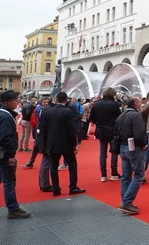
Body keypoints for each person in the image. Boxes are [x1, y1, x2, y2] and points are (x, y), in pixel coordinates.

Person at [37, 91, 86, 197]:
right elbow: (71, 130)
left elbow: (43, 129)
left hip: (52, 143)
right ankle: (73, 187)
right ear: (66, 100)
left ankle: (55, 188)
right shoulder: (67, 112)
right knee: (72, 165)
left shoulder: (47, 112)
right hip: (66, 143)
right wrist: (74, 144)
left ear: (56, 99)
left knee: (53, 166)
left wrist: (45, 144)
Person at [0, 90, 31, 219]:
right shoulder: (6, 117)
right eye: (15, 100)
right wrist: (10, 155)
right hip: (4, 154)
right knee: (9, 181)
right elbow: (5, 138)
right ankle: (13, 209)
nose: (17, 102)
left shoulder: (4, 114)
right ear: (8, 102)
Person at [113, 96, 146, 215]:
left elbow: (115, 131)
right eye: (140, 102)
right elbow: (139, 133)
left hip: (122, 146)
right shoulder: (136, 116)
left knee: (126, 175)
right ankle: (126, 202)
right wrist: (143, 144)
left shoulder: (122, 115)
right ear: (136, 103)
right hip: (133, 147)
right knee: (139, 174)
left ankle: (126, 201)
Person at [89, 88, 122, 182]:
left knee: (102, 152)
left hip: (101, 130)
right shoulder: (114, 104)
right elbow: (119, 117)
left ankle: (103, 174)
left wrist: (99, 124)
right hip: (112, 130)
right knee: (114, 151)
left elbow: (92, 118)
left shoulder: (96, 104)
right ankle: (114, 173)